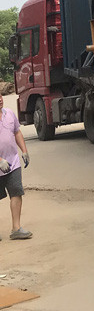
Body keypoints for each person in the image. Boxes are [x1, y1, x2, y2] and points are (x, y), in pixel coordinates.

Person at [0, 94, 31, 240]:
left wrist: (24, 151)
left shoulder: (9, 114)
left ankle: (16, 228)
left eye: (0, 95)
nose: (0, 99)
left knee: (16, 192)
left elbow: (17, 132)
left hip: (12, 163)